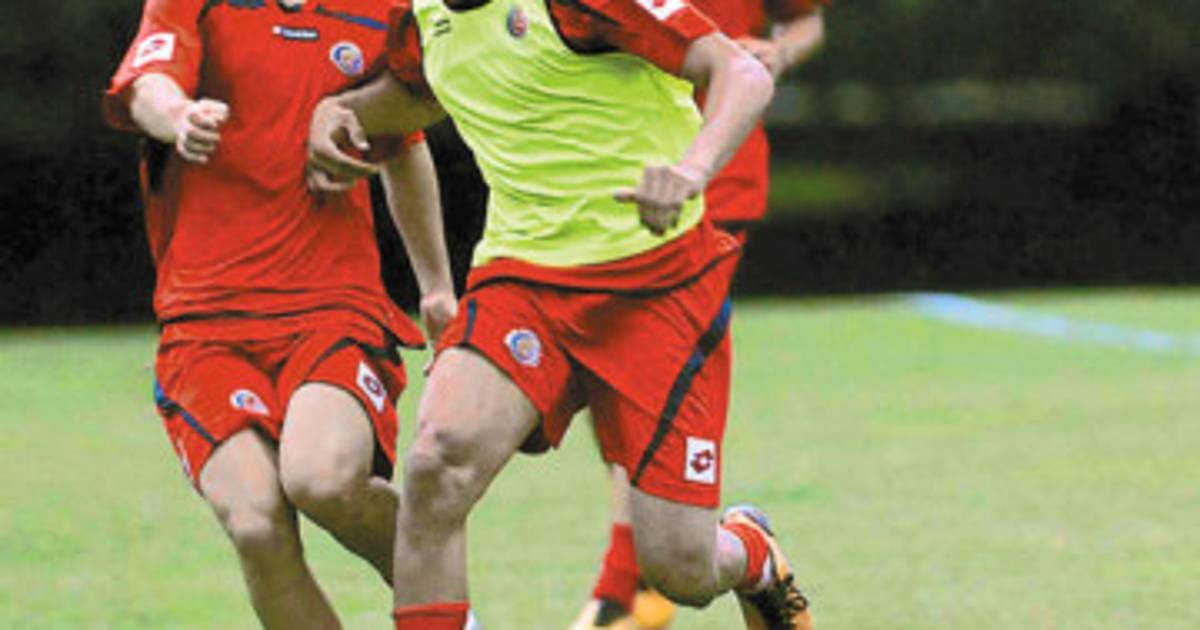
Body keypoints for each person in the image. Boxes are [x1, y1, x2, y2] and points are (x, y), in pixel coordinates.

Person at [308, 0, 808, 628]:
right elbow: (411, 98)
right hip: (522, 279)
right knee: (436, 465)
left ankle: (754, 554)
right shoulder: (423, 18)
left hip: (658, 287)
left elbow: (744, 73)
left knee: (681, 569)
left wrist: (692, 169)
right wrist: (337, 111)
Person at [102, 0, 455, 627]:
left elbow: (403, 141)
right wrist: (179, 116)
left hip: (333, 310)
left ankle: (452, 613)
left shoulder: (379, 13)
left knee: (325, 480)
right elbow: (145, 85)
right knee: (256, 525)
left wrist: (435, 289)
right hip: (205, 326)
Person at [571, 1, 829, 628]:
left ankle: (624, 592)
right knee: (598, 376)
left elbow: (806, 22)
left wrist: (779, 52)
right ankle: (645, 574)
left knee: (647, 373)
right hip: (612, 177)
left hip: (717, 179)